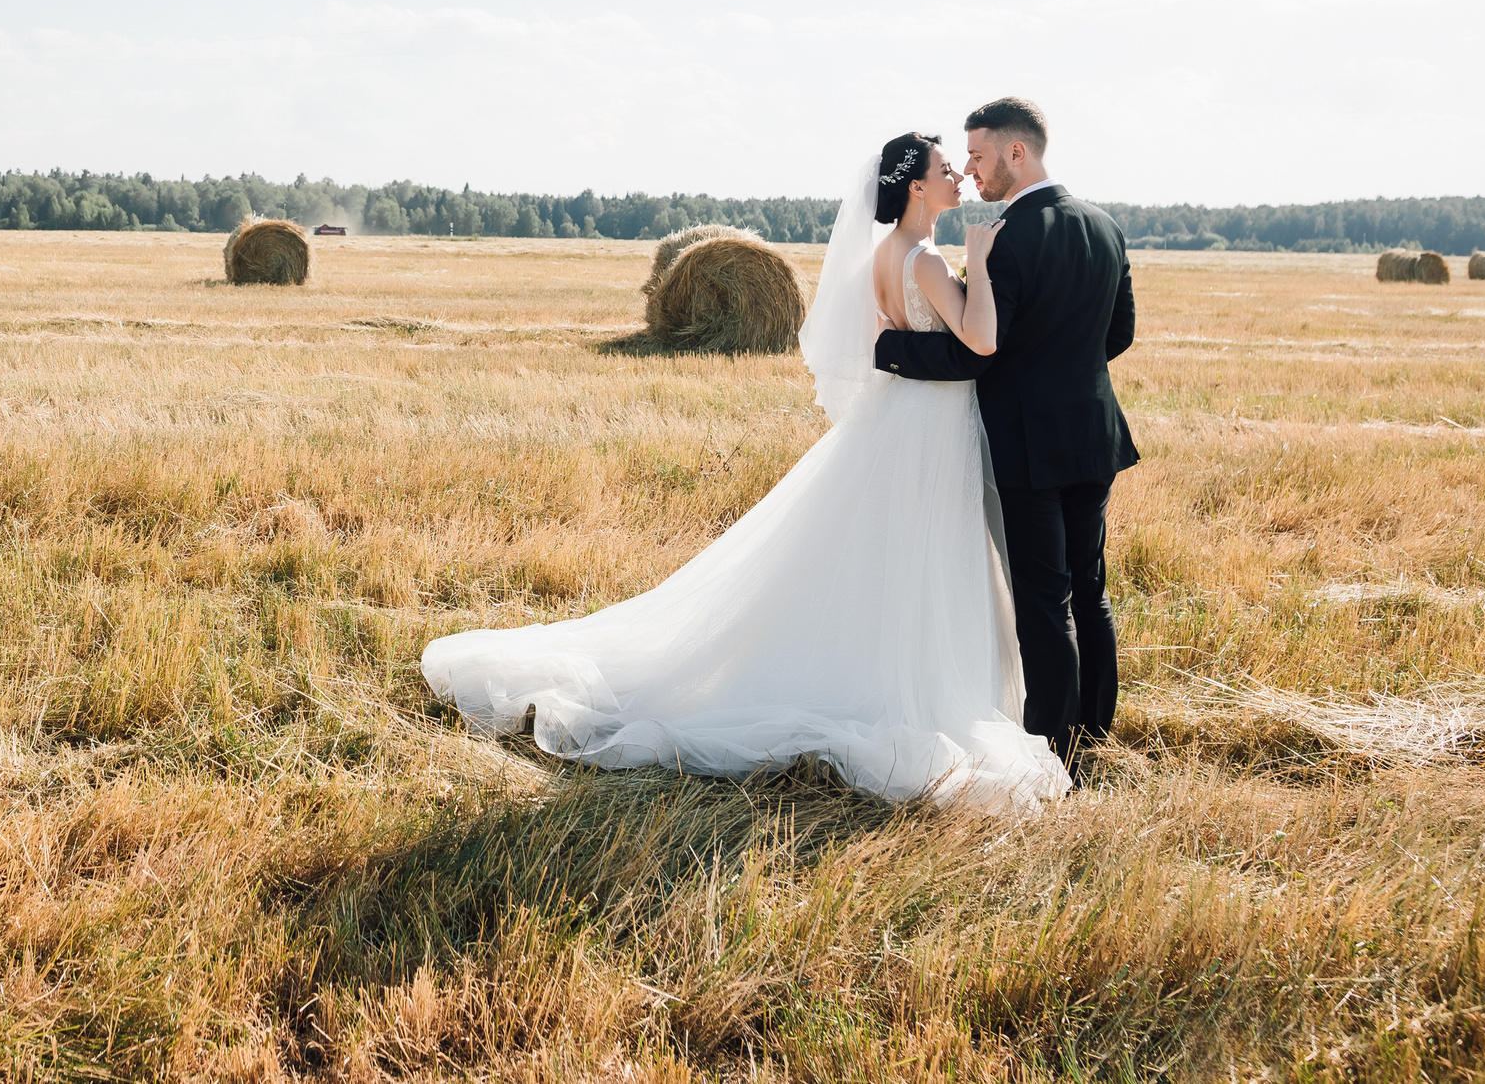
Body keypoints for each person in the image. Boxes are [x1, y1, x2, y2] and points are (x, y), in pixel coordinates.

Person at [419, 131, 1070, 814]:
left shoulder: (886, 254)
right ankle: (910, 681)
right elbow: (983, 338)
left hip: (906, 422)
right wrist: (982, 263)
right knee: (923, 555)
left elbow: (887, 336)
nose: (957, 178)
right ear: (915, 185)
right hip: (930, 429)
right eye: (945, 169)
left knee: (894, 553)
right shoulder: (929, 259)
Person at [873, 96, 1137, 770]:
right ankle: (1096, 732)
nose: (972, 172)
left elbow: (972, 351)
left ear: (1017, 153)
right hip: (1095, 433)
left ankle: (1057, 747)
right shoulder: (1105, 226)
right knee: (1090, 587)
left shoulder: (1009, 237)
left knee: (1043, 598)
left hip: (1028, 443)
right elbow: (1119, 334)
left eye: (980, 156)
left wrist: (889, 351)